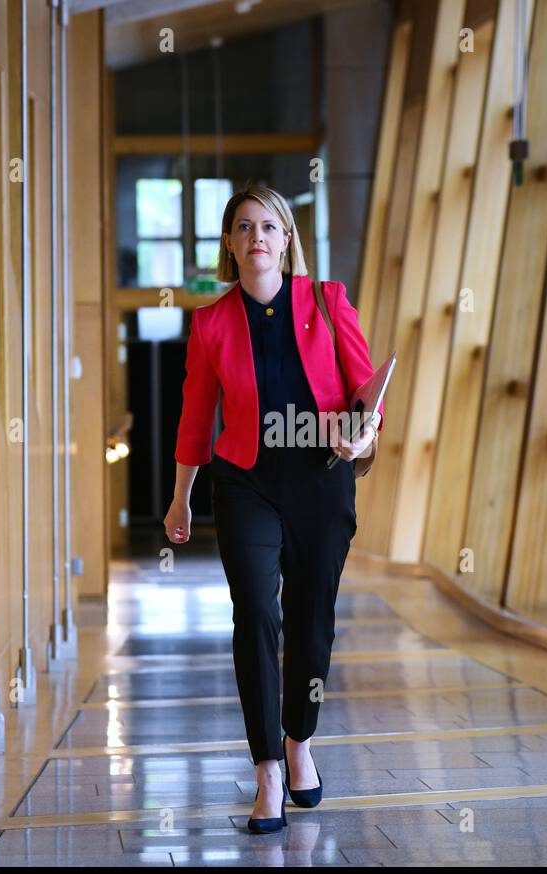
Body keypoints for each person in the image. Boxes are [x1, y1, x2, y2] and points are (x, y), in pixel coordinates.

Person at [163, 184, 384, 833]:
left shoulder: (329, 301)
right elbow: (197, 415)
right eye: (243, 227)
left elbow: (366, 395)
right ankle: (266, 773)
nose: (256, 237)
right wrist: (181, 496)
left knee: (311, 619)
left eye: (268, 226)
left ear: (287, 239)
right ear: (230, 244)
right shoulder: (210, 324)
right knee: (256, 611)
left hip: (320, 480)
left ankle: (299, 743)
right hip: (246, 485)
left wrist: (362, 434)